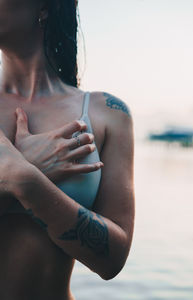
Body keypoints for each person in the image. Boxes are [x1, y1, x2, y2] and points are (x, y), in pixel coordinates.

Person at [0, 0, 135, 299]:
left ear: (44, 7)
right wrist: (18, 173)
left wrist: (27, 180)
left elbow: (111, 260)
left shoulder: (107, 114)